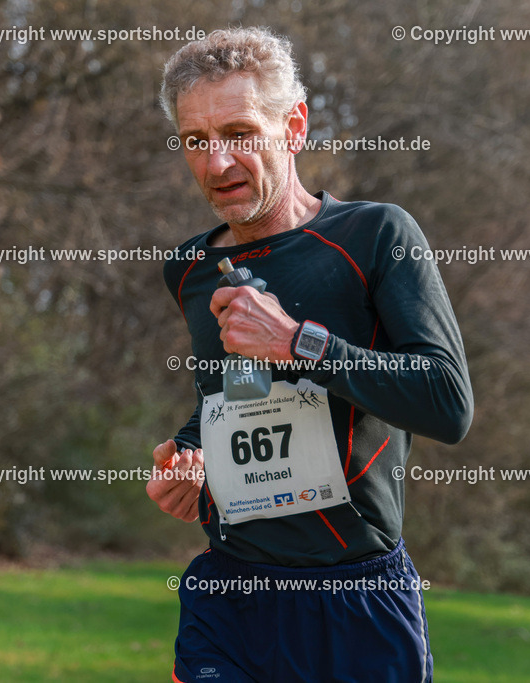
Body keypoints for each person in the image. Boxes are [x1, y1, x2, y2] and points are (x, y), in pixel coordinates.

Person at [146, 26, 473, 683]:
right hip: (230, 593)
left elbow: (446, 401)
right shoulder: (190, 268)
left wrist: (298, 342)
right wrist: (190, 454)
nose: (216, 165)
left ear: (293, 126)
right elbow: (231, 393)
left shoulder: (376, 235)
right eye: (196, 141)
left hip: (357, 599)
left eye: (239, 133)